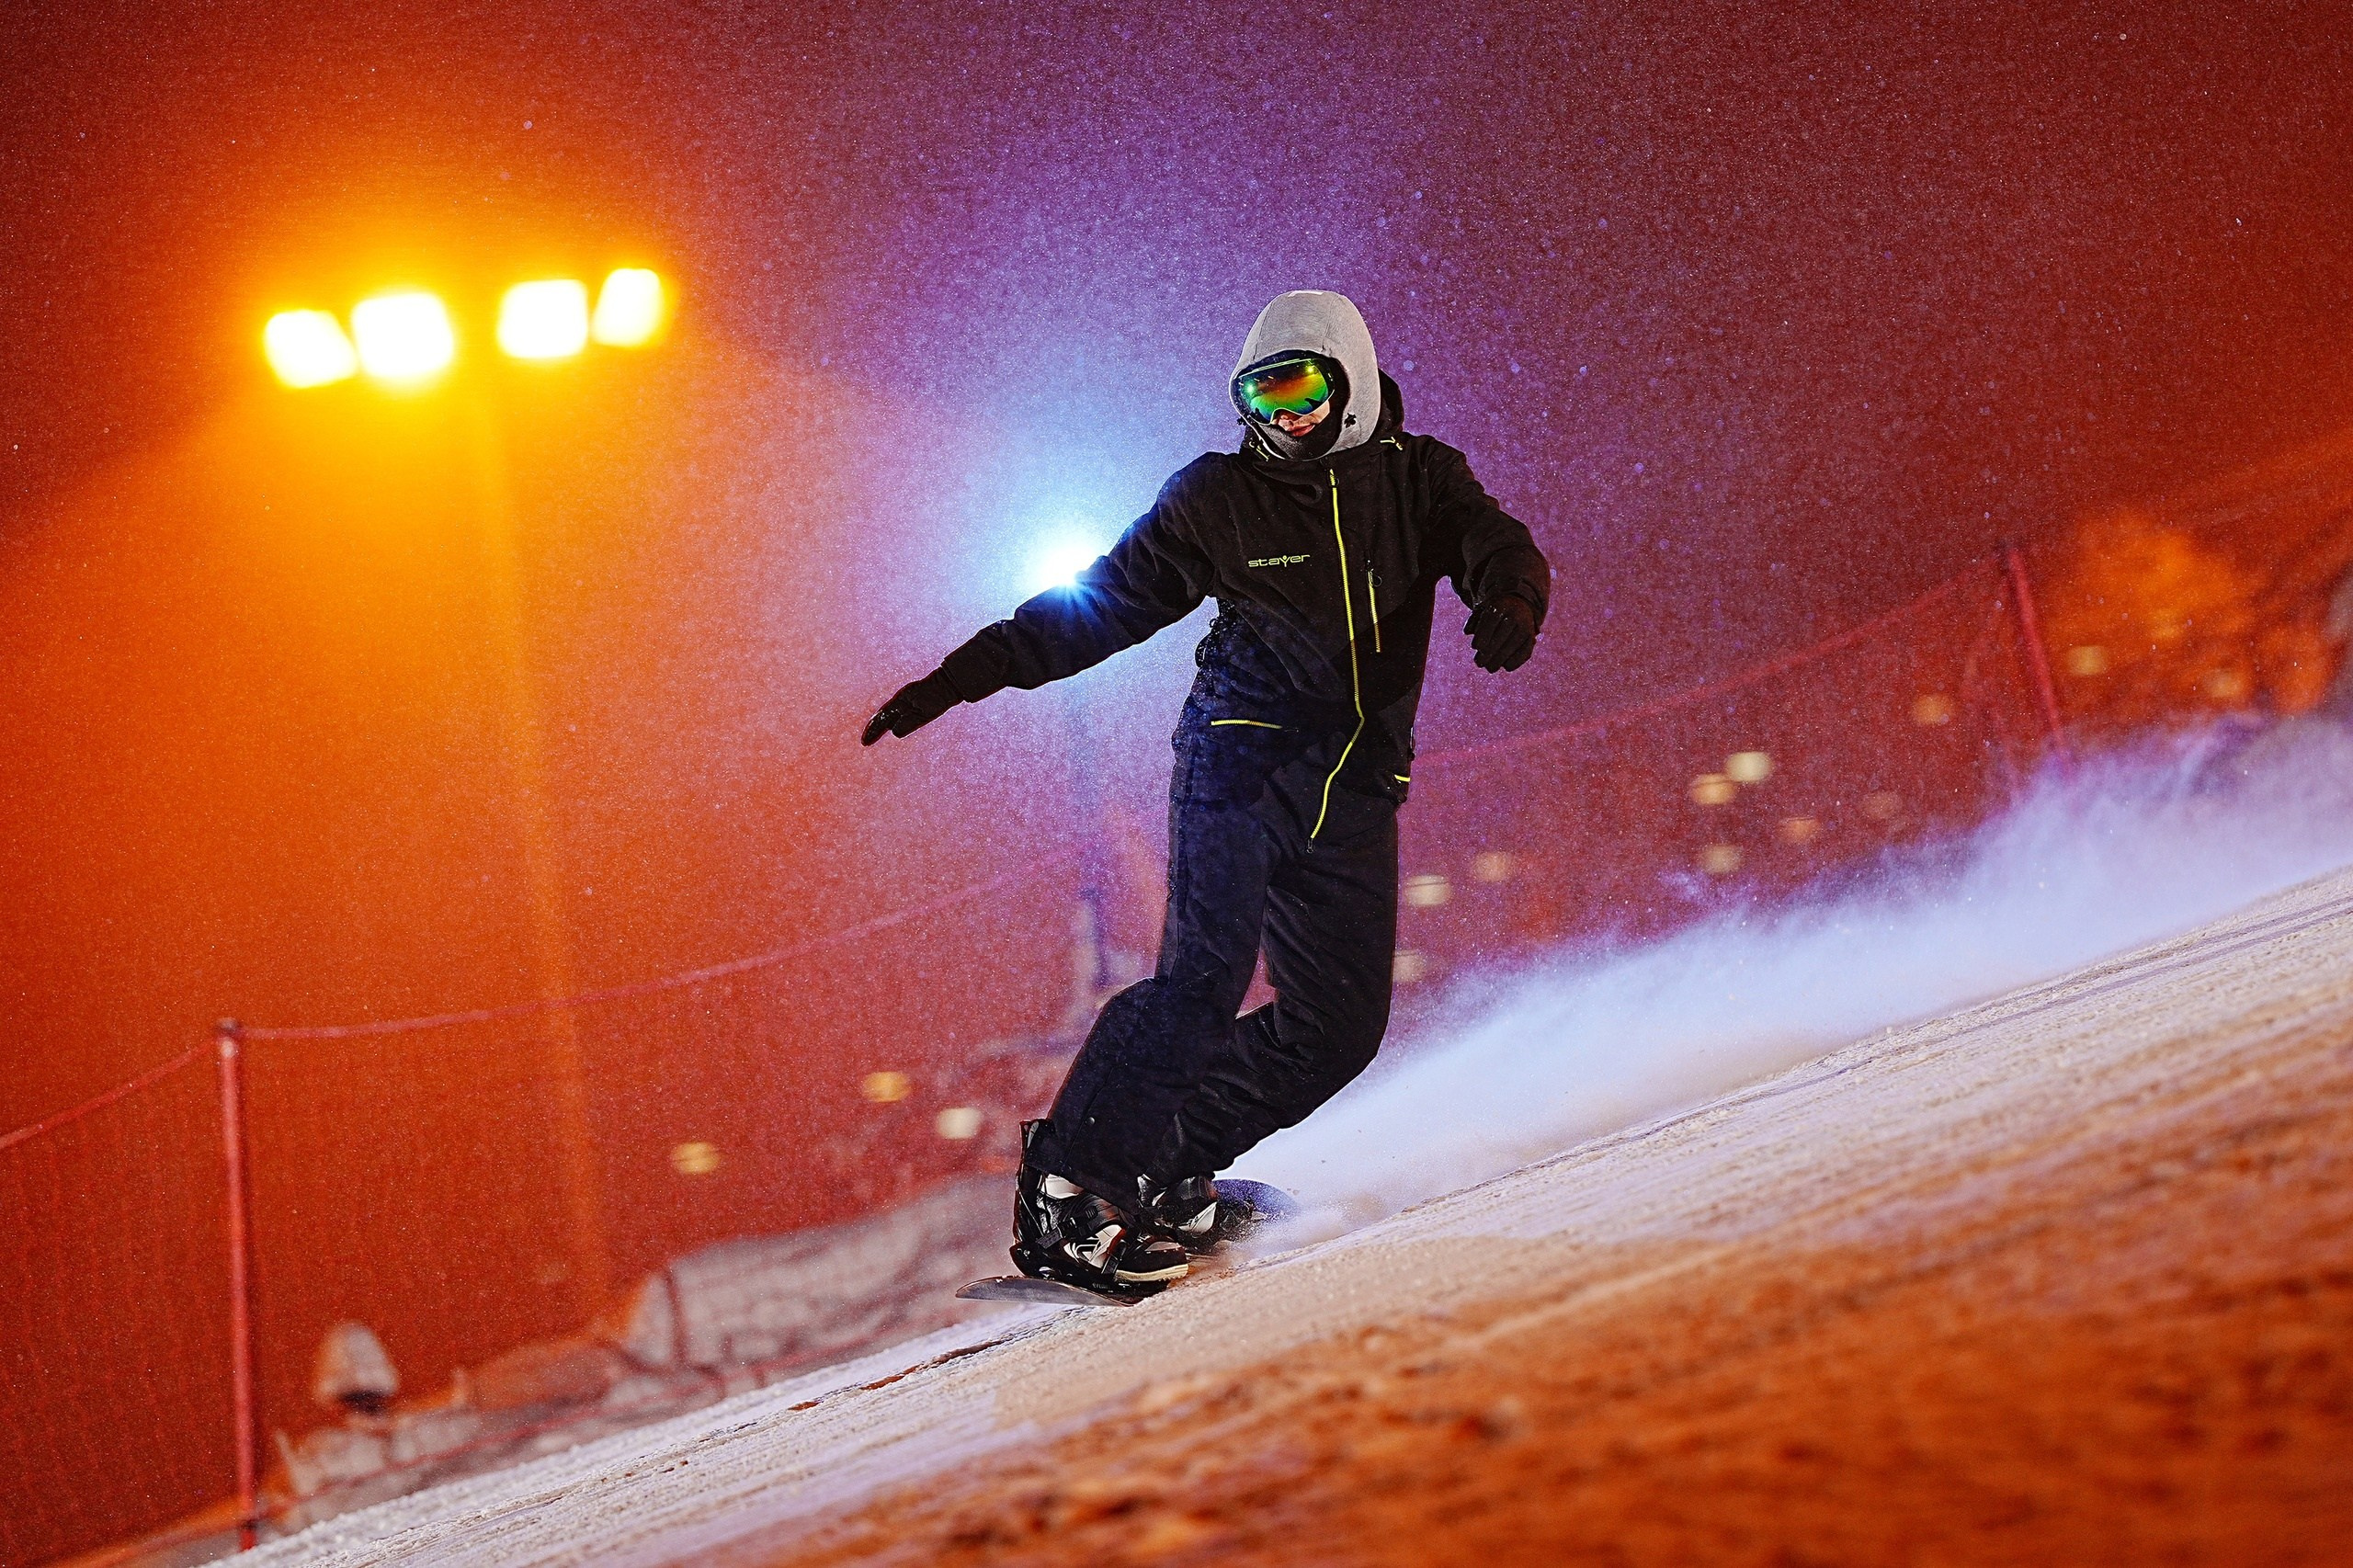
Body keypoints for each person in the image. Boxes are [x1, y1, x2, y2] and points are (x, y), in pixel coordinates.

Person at [863, 290, 1552, 1293]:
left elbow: (1497, 542)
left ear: (1351, 384)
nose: (1285, 416)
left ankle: (1162, 1163)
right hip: (1238, 765)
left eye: (1302, 390)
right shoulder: (1217, 497)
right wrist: (967, 672)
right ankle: (1069, 1191)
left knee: (1335, 1029)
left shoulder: (1419, 480)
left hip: (1352, 791)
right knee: (1200, 979)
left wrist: (1512, 597)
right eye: (1262, 398)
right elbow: (1098, 605)